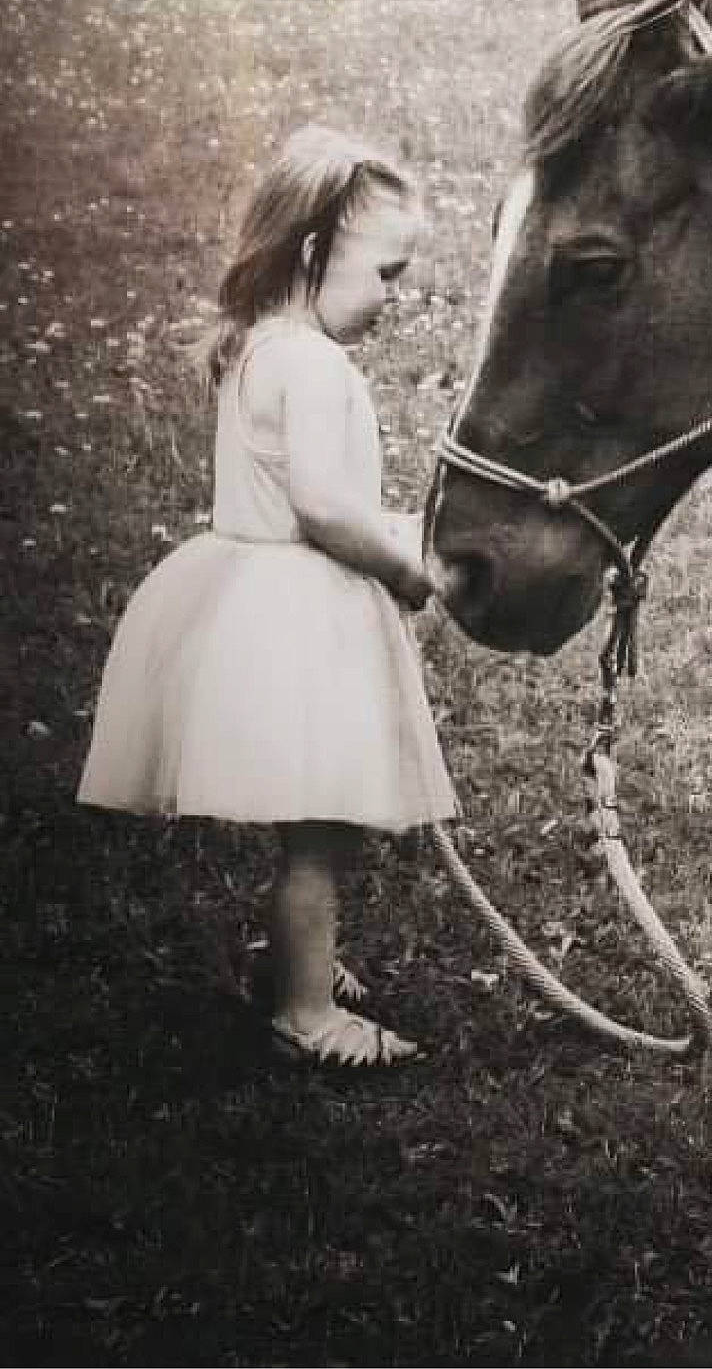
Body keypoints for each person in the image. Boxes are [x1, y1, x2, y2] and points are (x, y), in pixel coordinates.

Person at [78, 124, 457, 1068]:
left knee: (315, 823)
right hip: (305, 618)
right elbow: (327, 508)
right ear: (318, 254)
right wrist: (409, 563)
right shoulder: (318, 366)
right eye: (386, 275)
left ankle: (302, 958)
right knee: (322, 836)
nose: (392, 301)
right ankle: (303, 1010)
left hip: (252, 595)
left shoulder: (256, 347)